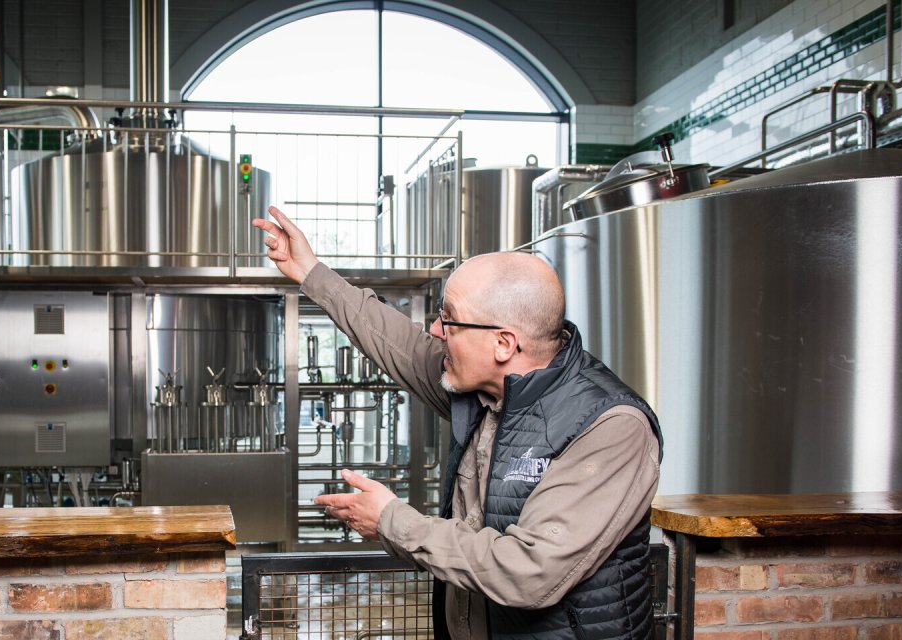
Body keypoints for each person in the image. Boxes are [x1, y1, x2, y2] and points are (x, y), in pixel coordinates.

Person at [252, 206, 663, 640]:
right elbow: (397, 342)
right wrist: (312, 272)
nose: (435, 329)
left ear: (503, 343)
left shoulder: (611, 426)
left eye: (448, 318)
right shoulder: (487, 390)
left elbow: (529, 571)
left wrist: (392, 520)